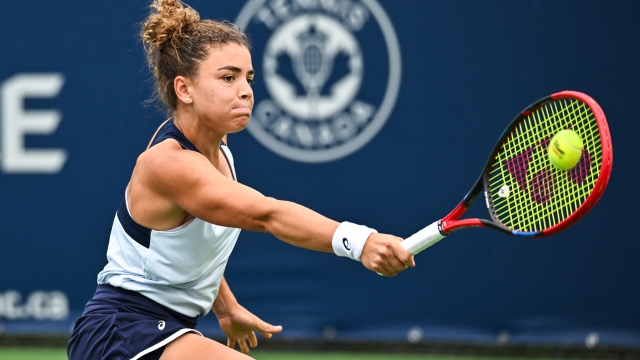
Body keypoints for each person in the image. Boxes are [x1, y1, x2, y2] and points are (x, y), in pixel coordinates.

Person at [67, 0, 414, 359]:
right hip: (121, 330)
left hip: (154, 327)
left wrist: (226, 308)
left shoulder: (216, 148)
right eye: (227, 78)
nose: (246, 91)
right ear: (184, 90)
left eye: (248, 79)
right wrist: (359, 241)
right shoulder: (169, 164)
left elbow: (186, 250)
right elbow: (266, 214)